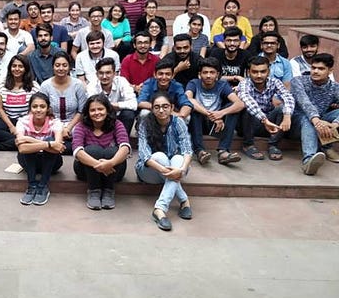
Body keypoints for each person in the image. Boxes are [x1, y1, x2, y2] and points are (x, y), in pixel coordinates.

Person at [136, 92, 194, 231]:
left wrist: (181, 170)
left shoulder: (178, 122)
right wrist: (166, 171)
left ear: (172, 107)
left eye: (165, 106)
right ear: (152, 109)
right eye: (157, 107)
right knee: (160, 157)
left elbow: (187, 150)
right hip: (149, 172)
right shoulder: (145, 123)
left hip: (175, 169)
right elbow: (145, 156)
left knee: (179, 159)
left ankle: (160, 209)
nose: (161, 110)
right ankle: (184, 200)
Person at [73, 94, 131, 210]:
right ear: (87, 112)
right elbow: (77, 151)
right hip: (86, 171)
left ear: (107, 110)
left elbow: (125, 147)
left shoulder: (117, 124)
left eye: (100, 109)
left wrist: (110, 163)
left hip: (114, 170)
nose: (97, 113)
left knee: (112, 151)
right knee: (93, 150)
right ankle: (94, 191)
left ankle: (109, 191)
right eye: (92, 110)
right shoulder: (81, 126)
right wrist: (100, 165)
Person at [185, 57, 245, 165]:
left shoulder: (222, 85)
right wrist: (210, 115)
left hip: (216, 125)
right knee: (193, 108)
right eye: (205, 72)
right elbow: (188, 99)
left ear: (217, 74)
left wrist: (221, 113)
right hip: (199, 123)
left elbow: (240, 104)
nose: (208, 76)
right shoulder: (194, 83)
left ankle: (223, 151)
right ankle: (200, 151)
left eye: (212, 72)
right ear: (199, 74)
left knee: (232, 107)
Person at [237, 56, 294, 161]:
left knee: (283, 108)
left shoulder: (274, 82)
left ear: (268, 71)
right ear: (248, 72)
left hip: (269, 125)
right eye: (255, 72)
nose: (259, 75)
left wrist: (287, 115)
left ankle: (273, 144)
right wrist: (264, 119)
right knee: (245, 107)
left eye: (263, 71)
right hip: (249, 124)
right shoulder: (244, 83)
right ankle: (248, 145)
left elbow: (288, 96)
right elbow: (248, 101)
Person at [290, 53, 339, 175]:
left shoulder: (335, 87)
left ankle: (326, 146)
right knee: (308, 119)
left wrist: (335, 124)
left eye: (321, 69)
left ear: (330, 71)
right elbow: (305, 103)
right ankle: (308, 160)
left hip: (320, 121)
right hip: (296, 123)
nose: (315, 71)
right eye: (313, 67)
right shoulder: (298, 81)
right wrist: (317, 121)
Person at [0, 54, 41, 154]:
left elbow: (36, 107)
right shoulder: (2, 85)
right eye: (14, 66)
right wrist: (11, 126)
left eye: (20, 66)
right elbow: (0, 109)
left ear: (26, 69)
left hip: (27, 120)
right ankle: (26, 141)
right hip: (8, 119)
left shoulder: (34, 86)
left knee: (35, 135)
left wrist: (22, 125)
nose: (17, 69)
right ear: (10, 68)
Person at [15, 92, 64, 205]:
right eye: (34, 106)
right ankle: (32, 185)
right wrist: (49, 144)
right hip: (28, 162)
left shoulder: (55, 122)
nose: (38, 110)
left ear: (48, 108)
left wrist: (29, 139)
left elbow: (58, 148)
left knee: (45, 140)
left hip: (51, 163)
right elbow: (22, 149)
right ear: (30, 108)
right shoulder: (22, 121)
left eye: (42, 106)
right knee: (31, 146)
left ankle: (43, 186)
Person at [39, 51, 87, 154]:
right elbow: (43, 110)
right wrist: (59, 129)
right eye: (57, 65)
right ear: (53, 67)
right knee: (48, 137)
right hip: (52, 124)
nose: (61, 68)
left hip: (74, 124)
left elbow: (81, 111)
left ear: (69, 67)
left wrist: (68, 128)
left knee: (80, 134)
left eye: (64, 65)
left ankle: (57, 147)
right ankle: (63, 146)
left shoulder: (78, 85)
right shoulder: (45, 86)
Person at [87, 58, 137, 134]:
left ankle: (123, 139)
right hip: (101, 116)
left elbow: (134, 104)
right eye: (101, 73)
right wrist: (110, 106)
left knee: (129, 114)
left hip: (119, 116)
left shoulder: (122, 81)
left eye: (108, 73)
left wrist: (115, 105)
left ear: (114, 74)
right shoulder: (92, 85)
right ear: (97, 74)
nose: (104, 76)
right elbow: (92, 106)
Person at [136, 58, 193, 122]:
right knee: (144, 113)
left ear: (172, 75)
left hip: (170, 116)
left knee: (187, 117)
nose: (164, 77)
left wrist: (181, 115)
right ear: (155, 75)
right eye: (160, 74)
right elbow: (140, 102)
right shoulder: (149, 83)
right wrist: (161, 108)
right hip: (154, 113)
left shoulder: (177, 86)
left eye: (167, 74)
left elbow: (186, 103)